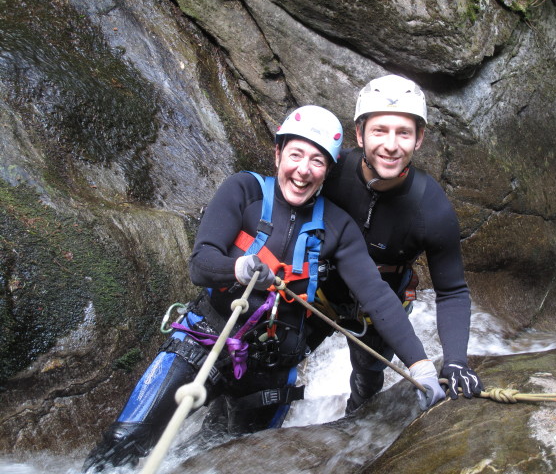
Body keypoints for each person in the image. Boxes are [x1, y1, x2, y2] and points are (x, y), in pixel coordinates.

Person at [82, 105, 444, 472]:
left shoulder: (339, 227)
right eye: (296, 154)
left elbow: (377, 297)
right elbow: (201, 264)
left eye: (317, 161)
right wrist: (236, 267)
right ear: (278, 154)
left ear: (328, 171)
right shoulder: (244, 190)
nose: (303, 170)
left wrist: (420, 364)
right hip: (204, 341)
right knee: (124, 441)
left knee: (233, 464)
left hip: (271, 369)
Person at [317, 74, 484, 414]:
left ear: (419, 139)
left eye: (403, 133)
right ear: (360, 134)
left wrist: (455, 360)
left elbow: (451, 291)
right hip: (318, 287)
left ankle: (352, 427)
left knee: (367, 379)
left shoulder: (431, 208)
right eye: (379, 131)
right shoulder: (330, 173)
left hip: (380, 306)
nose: (391, 145)